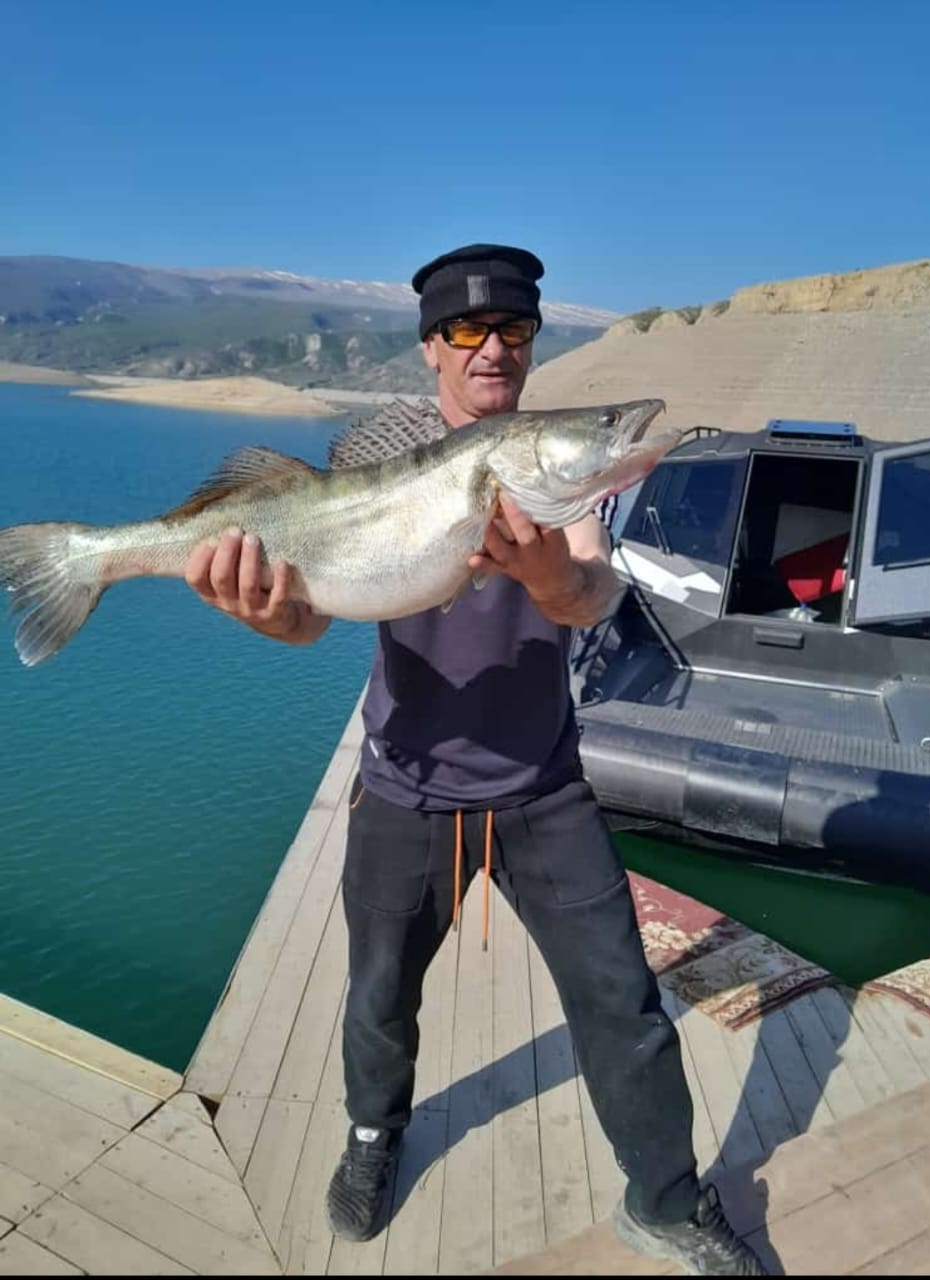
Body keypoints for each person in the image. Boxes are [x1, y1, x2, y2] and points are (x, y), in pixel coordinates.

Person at [183, 244, 768, 1277]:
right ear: (431, 348)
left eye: (515, 329)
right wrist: (271, 617)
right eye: (467, 329)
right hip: (403, 786)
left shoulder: (561, 472)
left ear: (533, 343)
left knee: (622, 1003)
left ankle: (667, 1201)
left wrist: (547, 575)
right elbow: (314, 619)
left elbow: (586, 593)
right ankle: (373, 1135)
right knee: (376, 993)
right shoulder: (383, 451)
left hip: (543, 786)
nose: (492, 346)